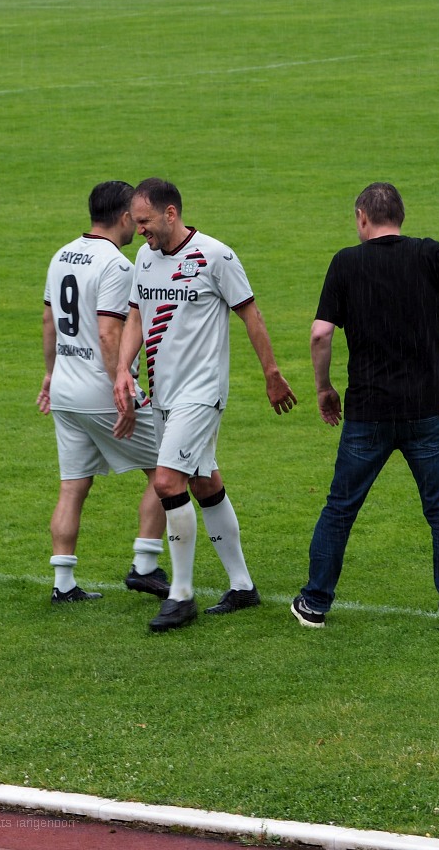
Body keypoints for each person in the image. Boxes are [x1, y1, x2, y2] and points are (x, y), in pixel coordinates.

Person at [290, 182, 439, 632]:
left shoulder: (346, 263)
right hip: (428, 408)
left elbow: (320, 334)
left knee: (340, 508)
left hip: (368, 412)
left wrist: (324, 388)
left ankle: (314, 603)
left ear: (362, 217)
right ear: (400, 217)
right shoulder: (429, 254)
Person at [113, 178, 297, 632]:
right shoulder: (144, 258)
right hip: (163, 394)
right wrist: (122, 369)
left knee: (166, 481)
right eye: (136, 222)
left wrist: (272, 373)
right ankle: (242, 586)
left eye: (145, 221)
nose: (140, 230)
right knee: (203, 481)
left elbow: (251, 315)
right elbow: (136, 315)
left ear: (170, 213)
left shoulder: (216, 256)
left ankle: (180, 595)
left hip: (201, 393)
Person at [38, 180, 169, 604]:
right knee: (168, 467)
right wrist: (122, 385)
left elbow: (48, 322)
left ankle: (63, 583)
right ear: (125, 216)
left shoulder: (61, 255)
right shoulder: (116, 265)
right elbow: (109, 334)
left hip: (65, 389)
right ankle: (145, 566)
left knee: (73, 486)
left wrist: (50, 375)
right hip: (101, 390)